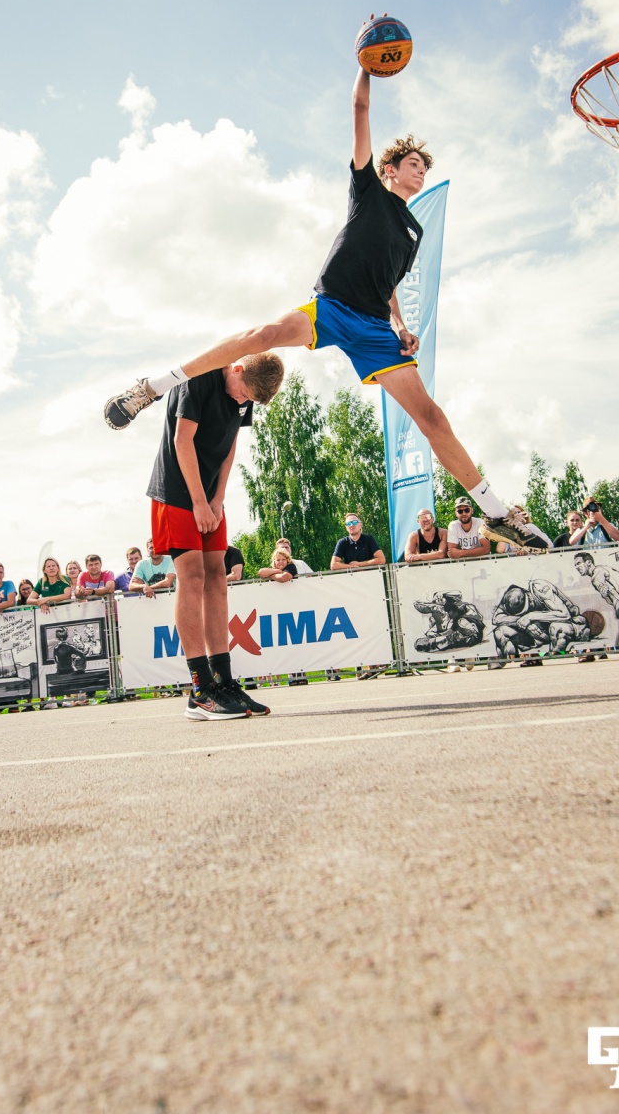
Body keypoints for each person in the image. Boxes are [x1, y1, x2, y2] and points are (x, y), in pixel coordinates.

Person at [103, 49, 532, 553]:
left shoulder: (413, 232)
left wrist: (399, 325)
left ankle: (497, 513)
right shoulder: (368, 189)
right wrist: (367, 65)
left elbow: (389, 283)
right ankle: (151, 388)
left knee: (432, 418)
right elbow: (359, 109)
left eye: (423, 167)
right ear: (390, 169)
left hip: (373, 329)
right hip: (330, 306)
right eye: (414, 164)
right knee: (263, 336)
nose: (421, 172)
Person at [144, 351, 285, 719]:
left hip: (208, 496)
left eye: (248, 399)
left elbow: (230, 445)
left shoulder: (246, 389)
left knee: (217, 578)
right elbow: (182, 440)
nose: (241, 400)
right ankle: (200, 689)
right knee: (191, 577)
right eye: (242, 392)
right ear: (236, 368)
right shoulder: (198, 378)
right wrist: (197, 502)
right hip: (176, 492)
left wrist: (218, 498)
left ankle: (223, 681)